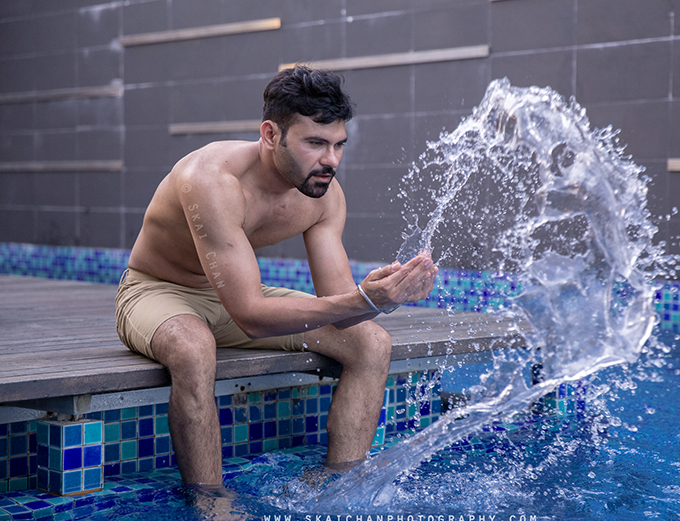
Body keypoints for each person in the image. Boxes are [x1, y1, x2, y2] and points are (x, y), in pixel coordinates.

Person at [115, 66, 438, 490]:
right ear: (270, 134)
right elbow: (251, 315)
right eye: (315, 143)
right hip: (156, 291)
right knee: (194, 349)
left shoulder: (323, 196)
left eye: (339, 144)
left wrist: (383, 297)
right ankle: (212, 507)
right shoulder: (211, 180)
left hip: (230, 297)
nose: (331, 160)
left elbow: (342, 306)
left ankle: (338, 486)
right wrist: (361, 300)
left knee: (372, 342)